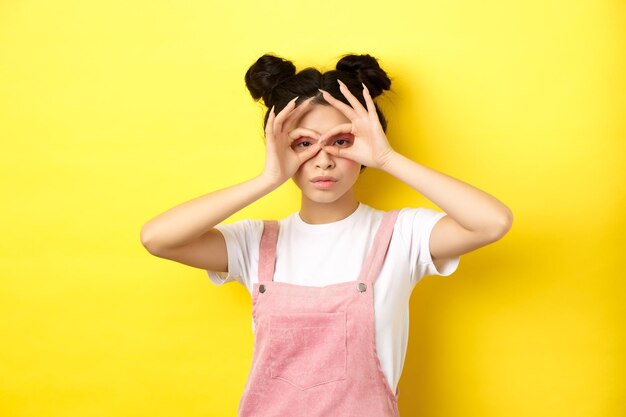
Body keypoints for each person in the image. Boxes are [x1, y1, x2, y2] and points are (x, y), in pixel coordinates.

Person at [140, 53, 513, 416]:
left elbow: (492, 222)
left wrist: (387, 158)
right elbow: (157, 238)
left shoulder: (403, 235)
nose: (323, 160)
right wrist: (268, 178)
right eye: (304, 143)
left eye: (341, 141)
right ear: (280, 147)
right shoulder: (254, 243)